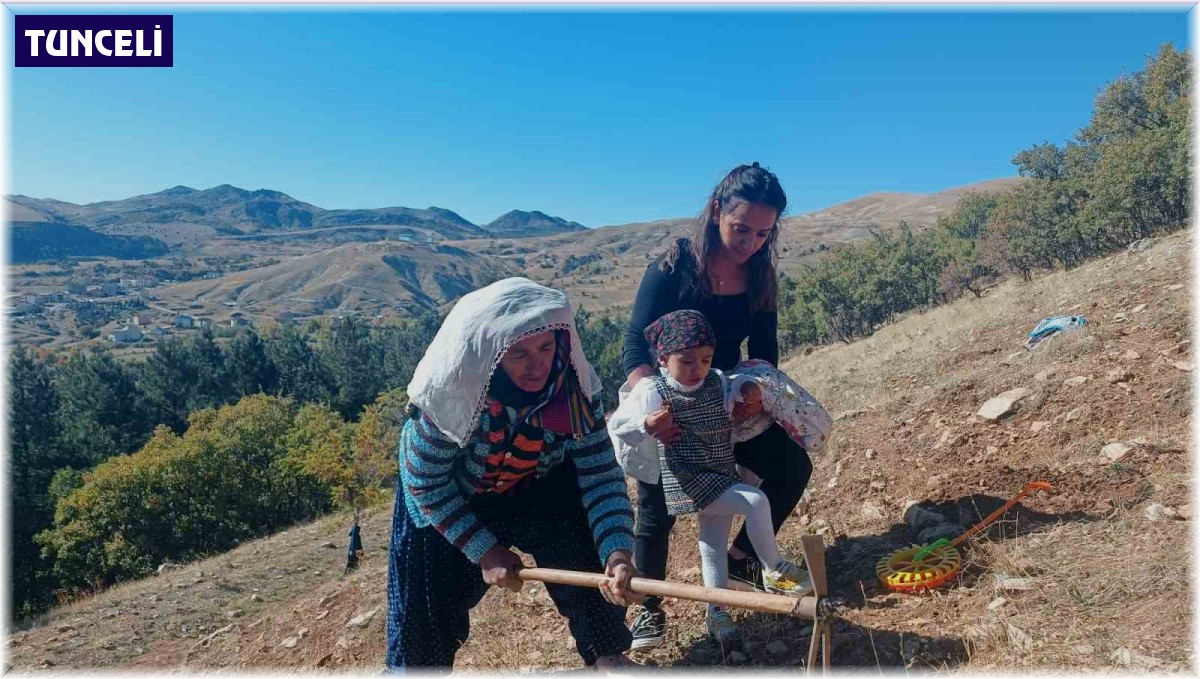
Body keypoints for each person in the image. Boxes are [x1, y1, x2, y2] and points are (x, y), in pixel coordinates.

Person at [385, 277, 640, 671]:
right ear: (492, 354)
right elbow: (425, 483)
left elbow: (601, 476)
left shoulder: (574, 391)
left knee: (585, 550)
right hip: (450, 497)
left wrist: (618, 551)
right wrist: (485, 550)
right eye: (518, 353)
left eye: (544, 346)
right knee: (427, 604)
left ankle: (607, 655)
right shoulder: (449, 397)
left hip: (537, 483)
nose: (537, 364)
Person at [622, 162, 813, 650]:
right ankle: (647, 608)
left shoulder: (761, 275)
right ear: (715, 211)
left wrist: (751, 391)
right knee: (655, 507)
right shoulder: (672, 268)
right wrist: (655, 407)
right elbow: (634, 347)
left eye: (763, 233)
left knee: (790, 466)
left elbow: (765, 350)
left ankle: (745, 559)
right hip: (666, 396)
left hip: (726, 398)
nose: (750, 242)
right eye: (741, 228)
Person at [609, 310, 810, 647]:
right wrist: (647, 425)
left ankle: (717, 612)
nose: (696, 369)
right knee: (756, 500)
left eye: (704, 359)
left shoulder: (714, 380)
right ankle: (773, 569)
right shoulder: (652, 389)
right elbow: (619, 426)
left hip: (718, 471)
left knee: (713, 545)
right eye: (686, 361)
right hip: (690, 478)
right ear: (662, 358)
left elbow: (736, 390)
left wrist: (748, 391)